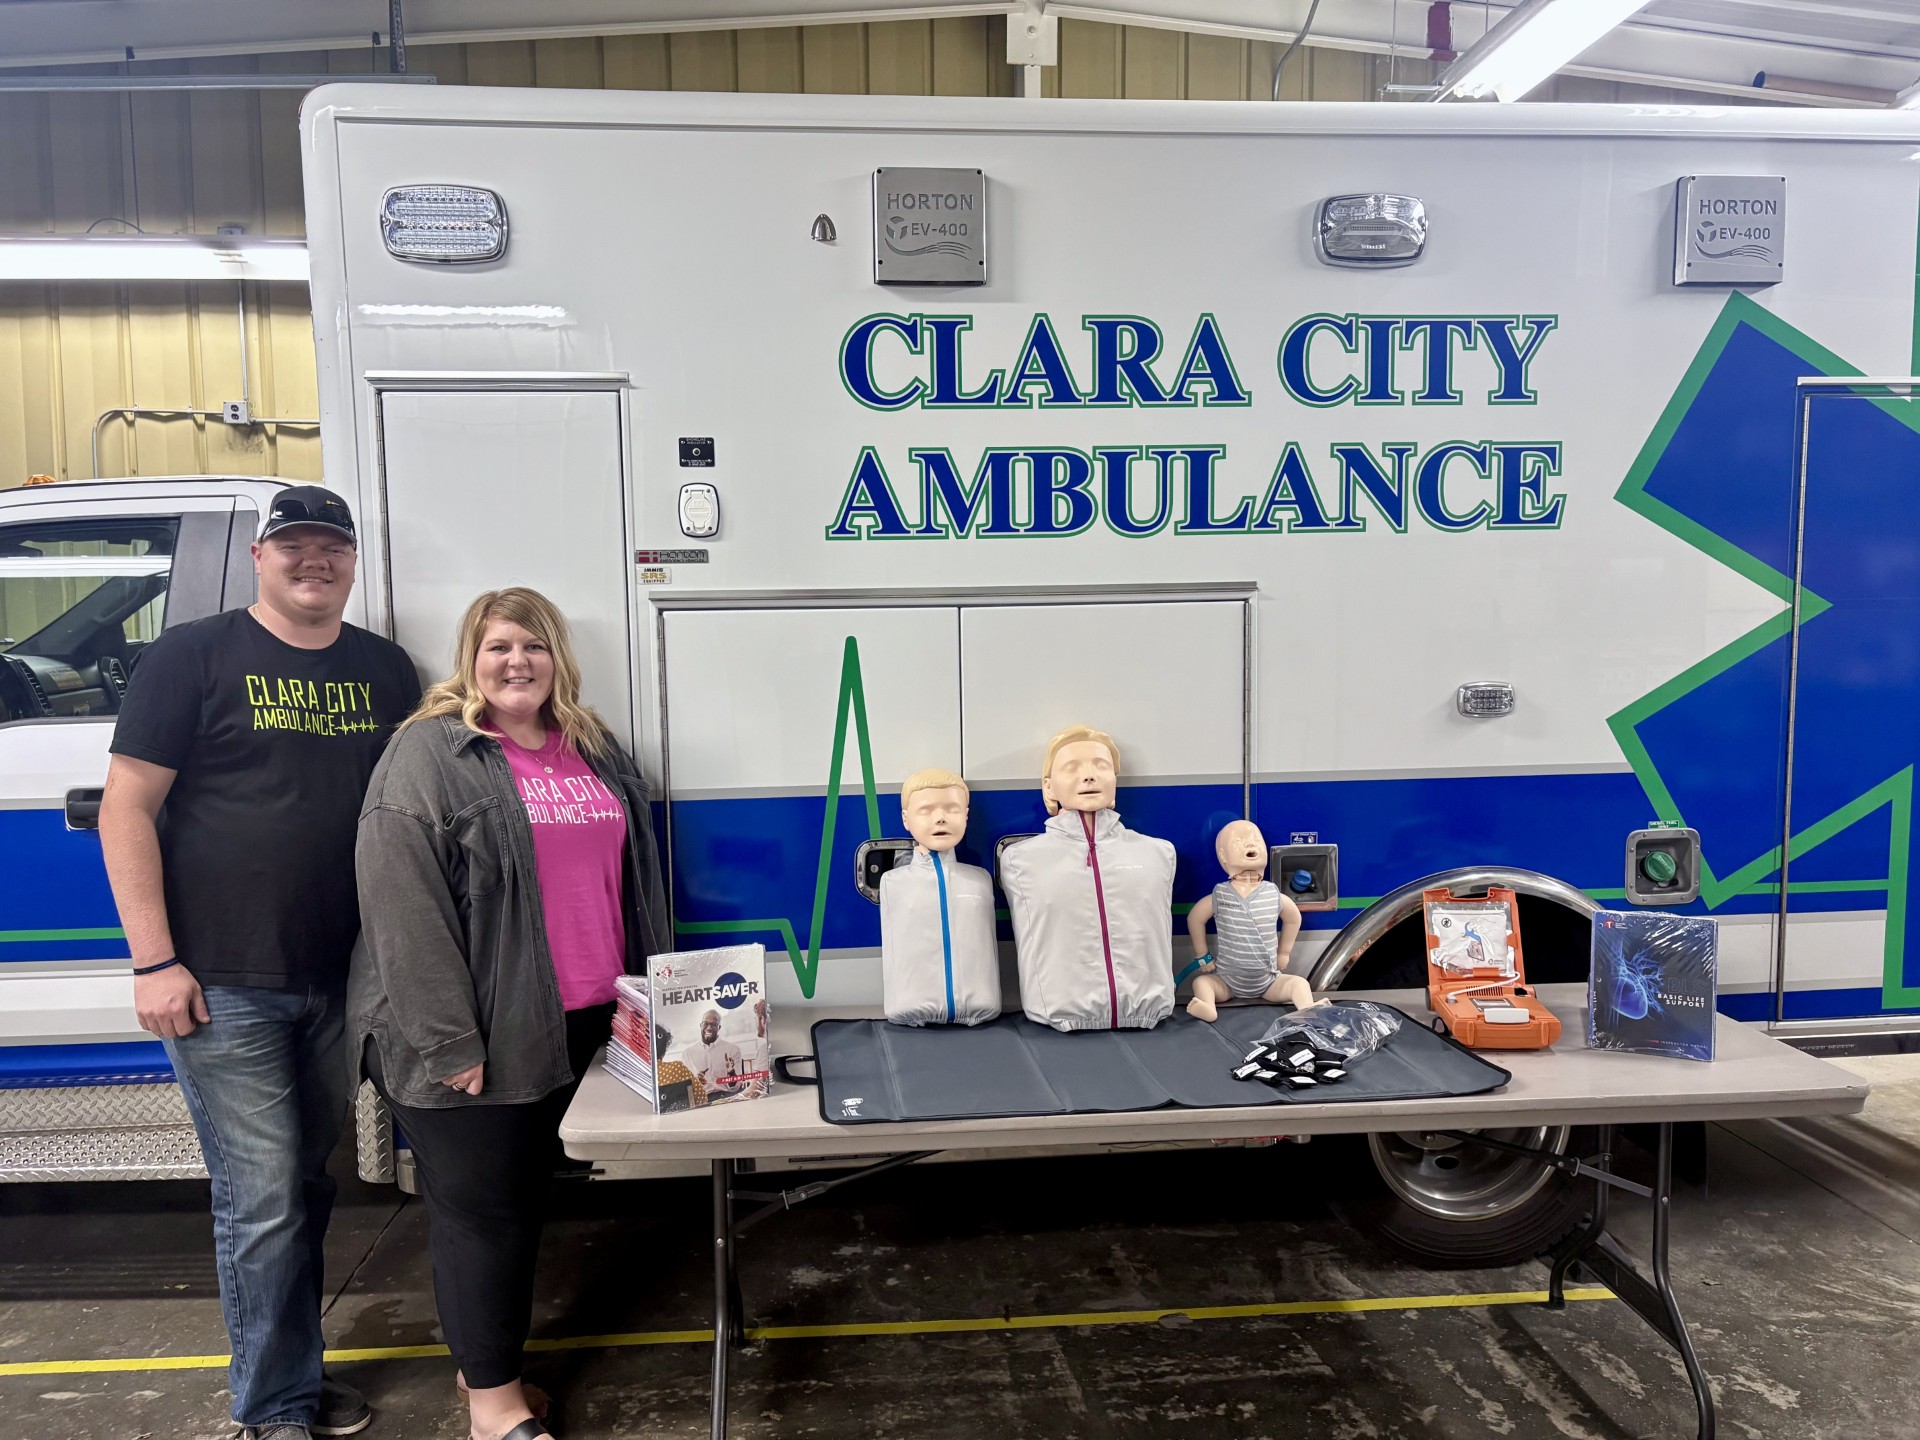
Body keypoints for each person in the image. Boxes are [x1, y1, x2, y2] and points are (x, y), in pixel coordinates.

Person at [99, 485, 421, 1440]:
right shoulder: (190, 655)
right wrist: (154, 962)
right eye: (295, 546)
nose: (313, 560)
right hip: (223, 982)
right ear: (260, 558)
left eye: (331, 546)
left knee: (304, 1184)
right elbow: (127, 808)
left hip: (343, 979)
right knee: (266, 1195)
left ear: (352, 561)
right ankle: (275, 1406)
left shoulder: (385, 671)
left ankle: (291, 1372)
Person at [350, 587, 668, 1440]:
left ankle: (477, 1361)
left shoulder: (592, 748)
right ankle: (494, 1406)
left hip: (580, 1017)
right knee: (484, 1213)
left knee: (519, 1201)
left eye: (533, 645)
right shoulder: (429, 754)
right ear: (470, 658)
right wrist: (449, 1040)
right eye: (497, 647)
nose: (516, 661)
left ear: (558, 658)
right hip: (475, 1029)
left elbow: (634, 880)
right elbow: (400, 909)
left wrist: (649, 997)